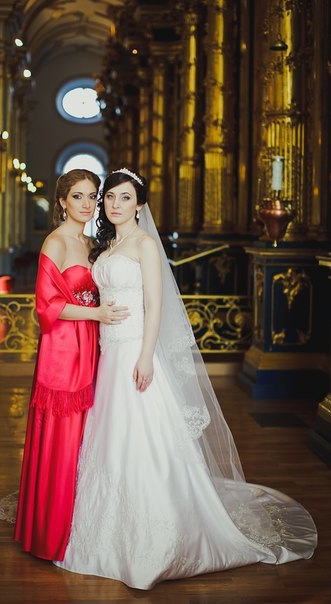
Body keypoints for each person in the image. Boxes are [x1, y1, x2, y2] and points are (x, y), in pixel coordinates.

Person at [54, 168, 317, 589]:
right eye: (110, 198)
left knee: (143, 439)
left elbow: (155, 305)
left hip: (134, 352)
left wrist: (145, 357)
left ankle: (158, 539)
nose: (115, 204)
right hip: (107, 355)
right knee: (109, 439)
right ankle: (106, 528)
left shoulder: (144, 245)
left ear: (140, 205)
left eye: (125, 198)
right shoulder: (107, 246)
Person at [0, 169, 129, 561]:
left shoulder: (93, 243)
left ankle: (85, 521)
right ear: (62, 202)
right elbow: (46, 306)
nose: (87, 204)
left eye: (92, 197)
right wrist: (96, 314)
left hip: (95, 343)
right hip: (63, 347)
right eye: (78, 197)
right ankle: (51, 530)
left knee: (90, 433)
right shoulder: (55, 242)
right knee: (64, 435)